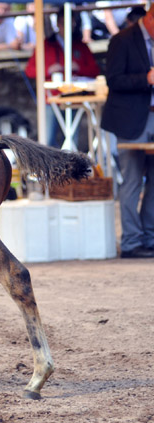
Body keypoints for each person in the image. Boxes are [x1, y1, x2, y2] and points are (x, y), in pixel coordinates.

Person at [101, 6, 154, 259]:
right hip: (131, 120)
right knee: (132, 180)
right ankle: (132, 242)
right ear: (150, 17)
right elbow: (114, 80)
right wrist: (146, 78)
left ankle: (150, 237)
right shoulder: (121, 40)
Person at [25, 9, 100, 148]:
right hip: (51, 97)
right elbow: (29, 70)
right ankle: (52, 166)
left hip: (74, 95)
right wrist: (48, 70)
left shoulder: (80, 46)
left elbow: (95, 69)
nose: (66, 26)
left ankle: (70, 167)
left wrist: (78, 68)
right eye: (62, 22)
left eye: (70, 22)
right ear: (58, 23)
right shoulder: (46, 45)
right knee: (46, 138)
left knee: (72, 139)